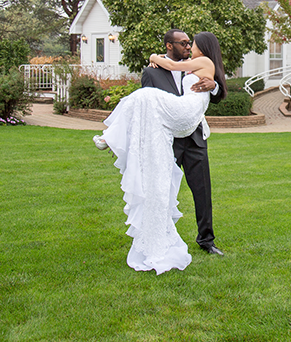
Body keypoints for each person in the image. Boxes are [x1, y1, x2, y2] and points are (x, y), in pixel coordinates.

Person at [93, 31, 227, 274]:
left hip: (194, 137)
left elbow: (217, 93)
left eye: (190, 43)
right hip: (167, 141)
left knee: (202, 191)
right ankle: (161, 232)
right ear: (170, 45)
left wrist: (214, 85)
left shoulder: (195, 65)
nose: (188, 46)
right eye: (183, 43)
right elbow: (148, 114)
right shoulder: (152, 72)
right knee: (162, 187)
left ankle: (206, 240)